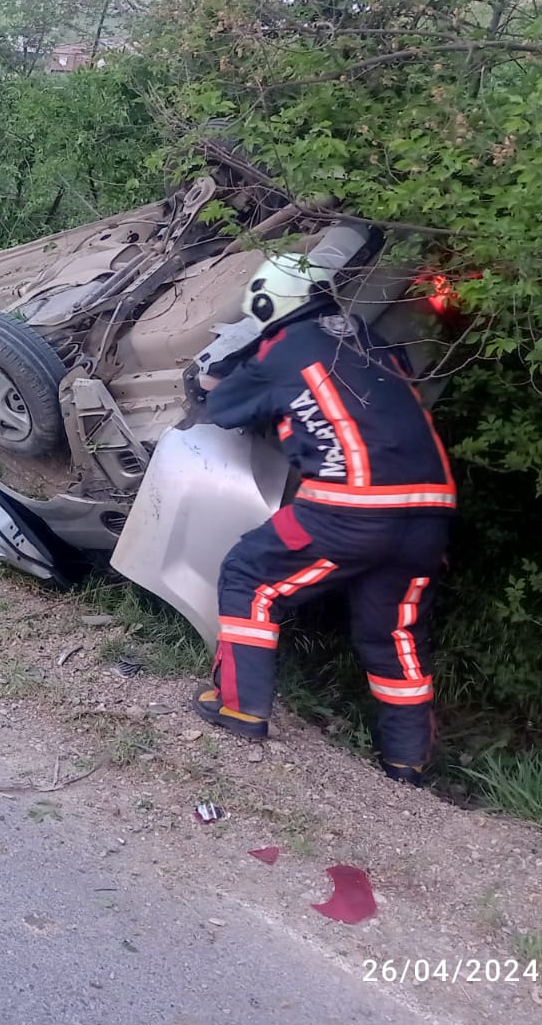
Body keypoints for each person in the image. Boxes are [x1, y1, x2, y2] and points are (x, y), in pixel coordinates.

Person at [190, 253, 455, 786]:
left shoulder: (283, 348)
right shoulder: (368, 340)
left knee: (250, 576)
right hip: (431, 511)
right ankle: (407, 763)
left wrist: (213, 376)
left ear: (266, 303)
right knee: (394, 633)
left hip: (351, 508)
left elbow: (220, 406)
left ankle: (240, 705)